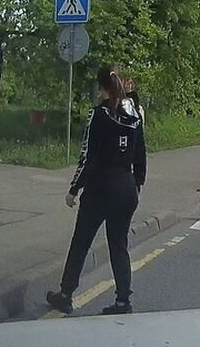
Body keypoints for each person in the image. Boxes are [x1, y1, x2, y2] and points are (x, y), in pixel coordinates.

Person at [47, 65, 147, 316]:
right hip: (126, 187)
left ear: (100, 87)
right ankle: (123, 301)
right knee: (118, 245)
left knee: (81, 242)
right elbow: (140, 153)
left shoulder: (99, 114)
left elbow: (88, 156)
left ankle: (66, 295)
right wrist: (138, 183)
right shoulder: (134, 114)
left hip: (101, 188)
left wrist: (74, 188)